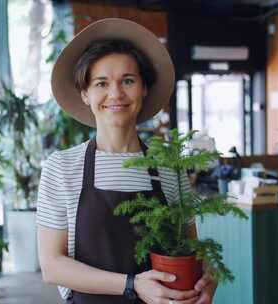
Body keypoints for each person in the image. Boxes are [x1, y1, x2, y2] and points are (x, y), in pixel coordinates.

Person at [36, 18, 217, 304]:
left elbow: (189, 250)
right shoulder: (62, 168)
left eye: (128, 81)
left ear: (144, 89)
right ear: (85, 93)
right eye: (101, 83)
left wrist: (206, 279)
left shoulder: (170, 169)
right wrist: (132, 285)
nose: (116, 94)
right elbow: (52, 266)